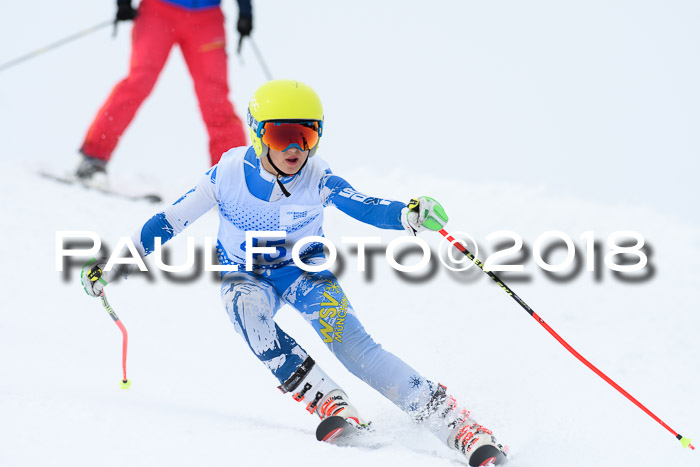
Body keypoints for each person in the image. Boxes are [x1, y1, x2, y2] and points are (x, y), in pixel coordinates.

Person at [80, 80, 509, 466]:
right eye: (281, 134)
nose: (294, 148)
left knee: (357, 349)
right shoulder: (227, 174)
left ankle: (456, 425)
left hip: (304, 273)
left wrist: (407, 215)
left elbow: (359, 203)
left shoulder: (316, 177)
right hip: (246, 275)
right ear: (257, 133)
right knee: (245, 308)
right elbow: (169, 220)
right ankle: (327, 400)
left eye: (306, 136)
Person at [75, 0, 252, 184]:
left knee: (215, 97)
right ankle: (93, 158)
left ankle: (231, 179)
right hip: (159, 10)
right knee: (139, 82)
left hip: (207, 17)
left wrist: (245, 11)